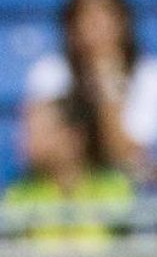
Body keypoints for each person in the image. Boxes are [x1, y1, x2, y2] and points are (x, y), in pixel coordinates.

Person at [23, 0, 157, 183]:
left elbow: (125, 156)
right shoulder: (49, 71)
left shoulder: (154, 75)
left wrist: (107, 83)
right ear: (71, 27)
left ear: (123, 21)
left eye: (105, 14)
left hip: (124, 191)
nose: (95, 25)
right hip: (61, 187)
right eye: (85, 15)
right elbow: (36, 151)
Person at [3, 95, 134, 244]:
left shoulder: (114, 188)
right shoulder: (18, 195)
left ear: (73, 137)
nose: (23, 140)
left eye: (36, 130)